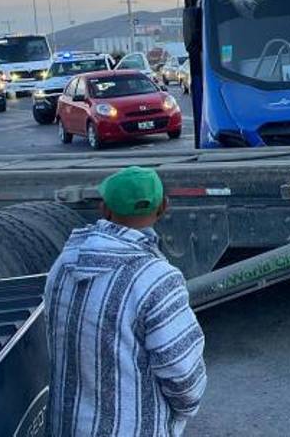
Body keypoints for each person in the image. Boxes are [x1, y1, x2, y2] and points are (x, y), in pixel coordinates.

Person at [45, 166, 207, 436]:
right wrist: (180, 414)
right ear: (163, 208)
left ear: (104, 209)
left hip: (66, 426)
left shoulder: (63, 265)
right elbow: (181, 373)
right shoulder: (157, 279)